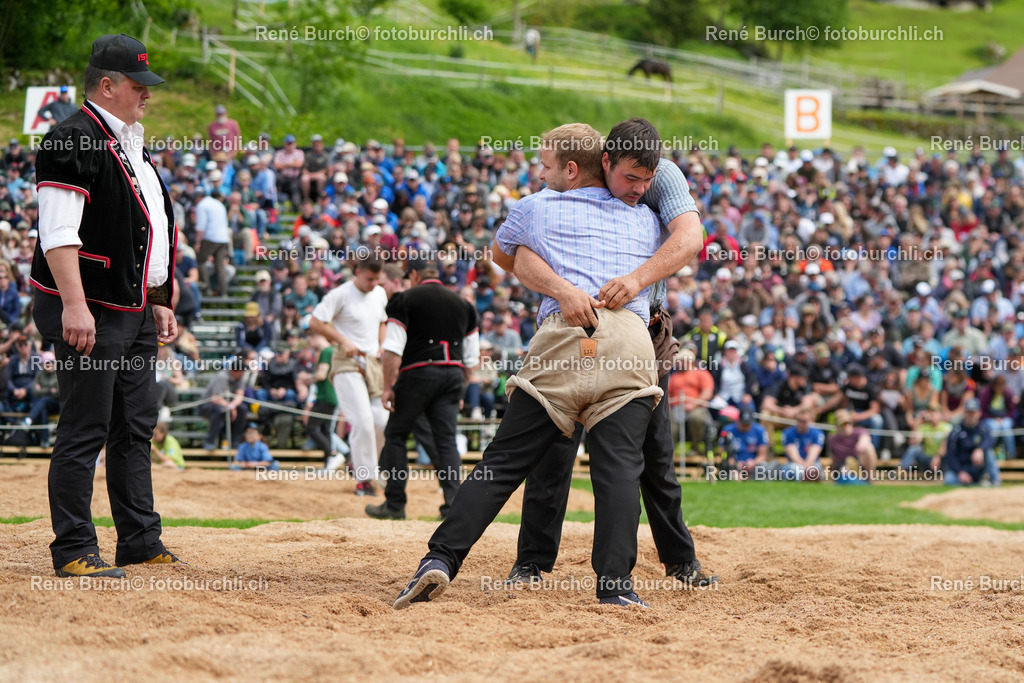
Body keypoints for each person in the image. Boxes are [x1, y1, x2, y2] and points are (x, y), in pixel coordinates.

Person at [392, 121, 668, 610]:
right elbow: (688, 237)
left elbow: (505, 256)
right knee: (620, 471)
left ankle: (440, 558)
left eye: (543, 166)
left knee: (501, 465)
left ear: (568, 168)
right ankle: (616, 588)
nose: (539, 175)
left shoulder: (535, 207)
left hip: (561, 337)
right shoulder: (646, 219)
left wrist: (559, 285)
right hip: (627, 338)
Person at [31, 33, 181, 578]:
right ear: (108, 84)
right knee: (85, 428)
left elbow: (147, 226)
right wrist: (74, 306)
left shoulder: (129, 141)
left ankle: (139, 538)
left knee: (134, 427)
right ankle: (73, 548)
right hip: (92, 309)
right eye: (138, 84)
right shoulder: (71, 138)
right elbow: (59, 234)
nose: (147, 94)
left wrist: (159, 297)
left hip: (133, 308)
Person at [366, 256, 479, 519]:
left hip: (418, 373)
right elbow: (472, 357)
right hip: (452, 374)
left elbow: (392, 349)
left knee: (396, 434)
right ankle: (453, 505)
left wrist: (387, 387)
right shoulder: (464, 305)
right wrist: (460, 389)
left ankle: (395, 504)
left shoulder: (404, 299)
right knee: (446, 440)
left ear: (413, 276)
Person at [307, 257, 389, 494]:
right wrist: (342, 340)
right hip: (346, 361)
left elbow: (383, 322)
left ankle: (361, 464)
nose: (374, 283)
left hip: (373, 361)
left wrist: (382, 346)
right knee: (362, 420)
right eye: (369, 278)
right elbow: (315, 321)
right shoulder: (340, 294)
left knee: (381, 420)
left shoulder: (380, 293)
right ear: (358, 273)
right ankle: (364, 479)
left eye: (377, 278)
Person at [944, 398, 1001, 486]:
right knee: (949, 479)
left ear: (979, 413)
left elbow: (990, 440)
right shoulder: (956, 432)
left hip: (978, 468)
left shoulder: (984, 429)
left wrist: (980, 449)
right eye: (968, 412)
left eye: (973, 412)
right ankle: (975, 483)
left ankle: (995, 481)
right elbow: (951, 456)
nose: (970, 415)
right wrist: (960, 472)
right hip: (962, 467)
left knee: (989, 452)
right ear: (964, 413)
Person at [195, 187, 231, 297]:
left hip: (211, 237)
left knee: (200, 260)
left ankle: (207, 288)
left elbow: (201, 226)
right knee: (219, 265)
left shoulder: (202, 205)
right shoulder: (218, 204)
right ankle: (223, 292)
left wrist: (197, 242)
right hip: (223, 238)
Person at [719, 408, 772, 480]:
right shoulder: (728, 430)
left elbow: (762, 455)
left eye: (747, 424)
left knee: (763, 471)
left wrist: (753, 463)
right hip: (734, 464)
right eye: (743, 424)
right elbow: (722, 452)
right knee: (732, 475)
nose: (745, 426)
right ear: (738, 421)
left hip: (754, 465)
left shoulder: (760, 430)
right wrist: (734, 464)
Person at [827, 409, 878, 481]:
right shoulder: (832, 439)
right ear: (837, 425)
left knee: (869, 447)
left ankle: (870, 479)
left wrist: (862, 443)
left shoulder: (859, 431)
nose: (846, 426)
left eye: (848, 423)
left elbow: (865, 438)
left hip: (859, 462)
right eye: (842, 424)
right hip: (842, 464)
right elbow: (834, 458)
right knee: (845, 469)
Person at [899, 409, 949, 474]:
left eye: (935, 412)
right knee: (913, 449)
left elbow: (946, 446)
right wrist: (917, 423)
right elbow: (913, 442)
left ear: (940, 415)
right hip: (927, 457)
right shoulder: (924, 427)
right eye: (931, 413)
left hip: (942, 459)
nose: (932, 415)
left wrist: (937, 457)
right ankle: (901, 471)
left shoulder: (946, 427)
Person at [780, 412, 824, 481]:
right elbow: (794, 456)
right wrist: (805, 469)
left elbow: (813, 455)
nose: (800, 423)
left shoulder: (817, 433)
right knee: (794, 469)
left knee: (816, 468)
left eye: (804, 421)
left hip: (812, 463)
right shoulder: (788, 433)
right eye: (798, 420)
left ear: (811, 421)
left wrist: (808, 468)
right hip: (794, 463)